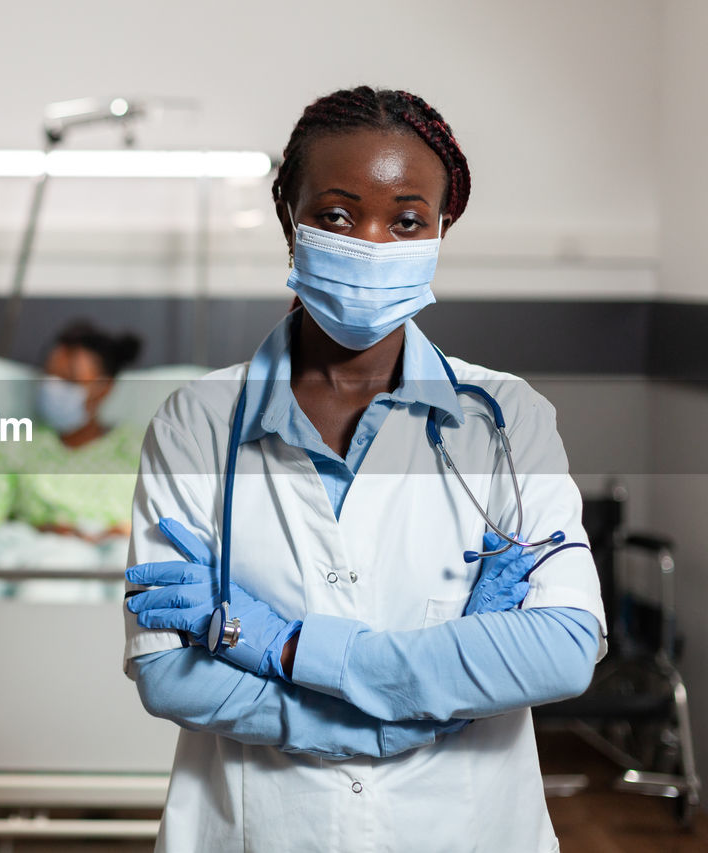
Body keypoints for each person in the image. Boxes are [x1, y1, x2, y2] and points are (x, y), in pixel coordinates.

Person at [123, 87, 606, 852]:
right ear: (291, 216)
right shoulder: (198, 421)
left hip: (464, 828)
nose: (372, 241)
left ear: (441, 228)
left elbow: (560, 648)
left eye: (406, 219)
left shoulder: (506, 419)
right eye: (339, 215)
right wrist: (409, 712)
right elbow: (171, 674)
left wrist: (286, 648)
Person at [0, 320, 144, 544]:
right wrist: (39, 532)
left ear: (104, 388)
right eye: (49, 376)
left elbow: (167, 529)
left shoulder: (141, 451)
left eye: (69, 380)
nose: (53, 387)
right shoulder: (11, 450)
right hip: (39, 559)